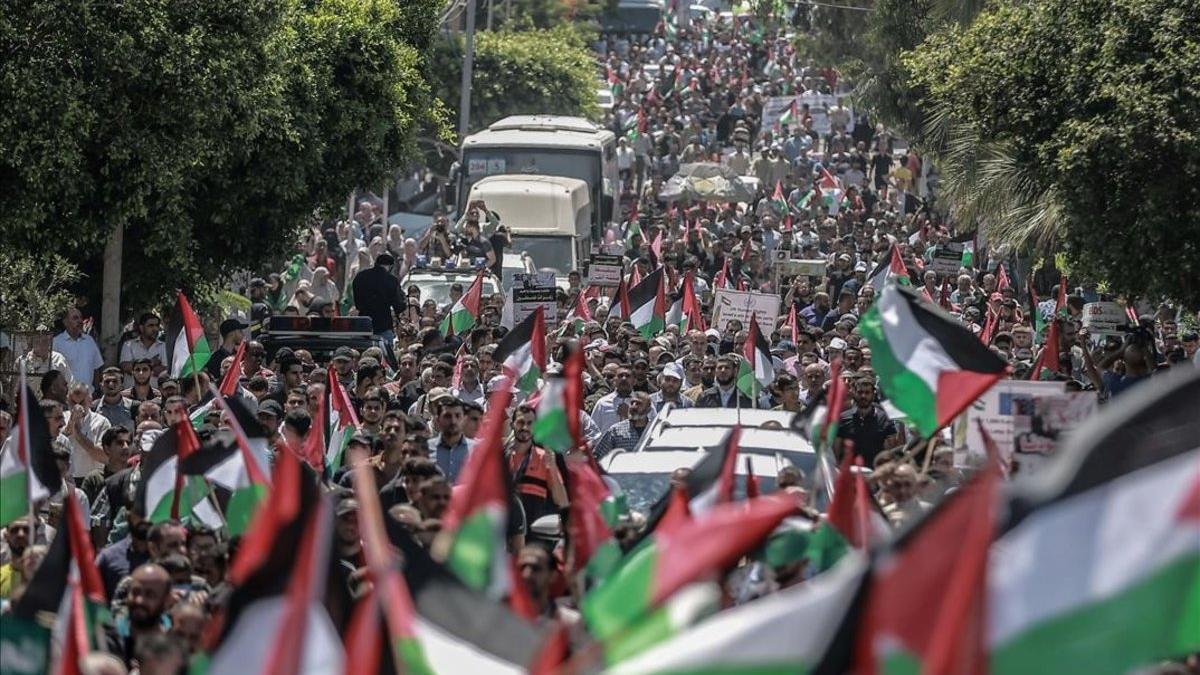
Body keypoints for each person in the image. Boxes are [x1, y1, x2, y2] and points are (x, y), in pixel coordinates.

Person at [507, 405, 569, 523]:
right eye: (520, 422)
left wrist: (552, 469)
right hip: (505, 530)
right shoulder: (501, 458)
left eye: (530, 423)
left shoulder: (544, 458)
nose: (525, 427)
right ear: (512, 425)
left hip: (534, 532)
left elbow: (562, 501)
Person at [352, 253, 408, 353]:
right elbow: (399, 306)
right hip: (383, 326)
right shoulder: (391, 280)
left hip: (364, 325)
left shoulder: (360, 277)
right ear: (390, 266)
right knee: (385, 358)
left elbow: (358, 304)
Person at [837, 376, 899, 465]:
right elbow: (836, 451)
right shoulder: (843, 419)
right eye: (860, 392)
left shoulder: (884, 419)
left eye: (867, 393)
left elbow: (890, 450)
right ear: (854, 393)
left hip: (874, 472)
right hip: (849, 472)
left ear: (873, 395)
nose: (863, 396)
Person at [593, 391, 653, 459]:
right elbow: (599, 457)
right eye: (632, 403)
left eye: (638, 404)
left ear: (648, 409)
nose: (633, 406)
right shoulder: (615, 430)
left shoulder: (655, 430)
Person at [53, 307, 104, 386]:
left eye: (81, 318)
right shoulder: (56, 342)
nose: (80, 321)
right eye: (75, 318)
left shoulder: (89, 341)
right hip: (66, 395)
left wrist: (96, 390)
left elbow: (96, 367)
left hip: (88, 395)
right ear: (65, 322)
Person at [427, 398, 474, 483]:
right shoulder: (426, 449)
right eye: (447, 416)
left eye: (457, 416)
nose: (453, 421)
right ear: (437, 420)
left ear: (464, 419)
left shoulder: (477, 450)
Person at [16, 327, 74, 393]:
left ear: (49, 341)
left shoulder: (59, 359)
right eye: (37, 341)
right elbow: (15, 388)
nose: (41, 345)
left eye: (44, 341)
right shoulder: (22, 361)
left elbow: (70, 384)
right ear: (32, 341)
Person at [118, 312, 168, 386]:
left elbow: (164, 371)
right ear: (141, 328)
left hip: (155, 394)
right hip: (131, 394)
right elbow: (126, 367)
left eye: (157, 325)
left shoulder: (163, 346)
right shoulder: (129, 345)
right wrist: (152, 362)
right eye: (151, 325)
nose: (155, 329)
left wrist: (136, 367)